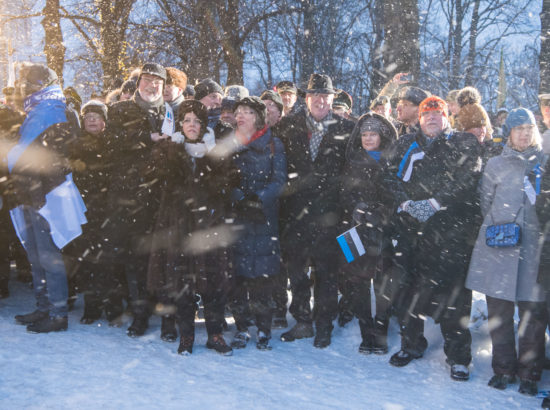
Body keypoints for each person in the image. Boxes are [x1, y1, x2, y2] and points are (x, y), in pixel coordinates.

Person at [386, 96, 482, 381]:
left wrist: (436, 202)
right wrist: (404, 204)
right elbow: (389, 178)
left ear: (446, 118)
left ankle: (458, 357)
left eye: (437, 114)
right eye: (426, 115)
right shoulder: (406, 145)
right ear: (419, 119)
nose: (431, 119)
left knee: (453, 297)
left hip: (451, 232)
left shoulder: (462, 142)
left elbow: (467, 178)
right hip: (412, 231)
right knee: (408, 290)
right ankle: (411, 344)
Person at [466, 108, 547, 396]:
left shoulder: (546, 162)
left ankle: (529, 374)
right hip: (500, 247)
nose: (524, 133)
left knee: (532, 317)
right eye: (518, 129)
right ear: (509, 133)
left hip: (534, 251)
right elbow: (485, 202)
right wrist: (502, 227)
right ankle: (503, 369)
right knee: (499, 313)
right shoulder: (496, 165)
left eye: (528, 128)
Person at [146, 100, 236, 355]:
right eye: (187, 120)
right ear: (180, 124)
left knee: (213, 282)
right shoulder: (169, 149)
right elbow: (153, 180)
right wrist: (170, 154)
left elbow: (228, 183)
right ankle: (186, 335)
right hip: (178, 226)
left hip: (209, 225)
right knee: (182, 282)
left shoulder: (215, 150)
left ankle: (215, 334)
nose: (192, 125)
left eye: (197, 120)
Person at [276, 73, 354, 348]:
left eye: (326, 96)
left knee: (327, 273)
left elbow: (352, 173)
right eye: (315, 95)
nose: (320, 100)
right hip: (294, 212)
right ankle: (302, 321)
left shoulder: (347, 128)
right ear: (305, 99)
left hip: (330, 214)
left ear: (333, 100)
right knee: (296, 271)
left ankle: (324, 325)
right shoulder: (288, 126)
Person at [6, 63, 82, 333]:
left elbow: (52, 162)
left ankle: (58, 314)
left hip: (46, 197)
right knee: (36, 255)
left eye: (28, 85)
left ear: (41, 87)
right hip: (31, 193)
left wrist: (37, 191)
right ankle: (43, 307)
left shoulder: (55, 113)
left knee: (49, 256)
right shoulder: (39, 111)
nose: (24, 90)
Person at [215, 96, 287, 350]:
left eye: (247, 111)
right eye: (239, 112)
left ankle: (264, 329)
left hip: (263, 219)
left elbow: (279, 180)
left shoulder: (273, 144)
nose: (241, 116)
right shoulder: (226, 144)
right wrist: (239, 198)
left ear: (257, 116)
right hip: (235, 218)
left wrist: (258, 200)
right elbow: (220, 179)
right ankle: (242, 327)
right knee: (236, 278)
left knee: (262, 278)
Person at [107, 62, 172, 337]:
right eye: (147, 79)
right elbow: (111, 145)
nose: (152, 85)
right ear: (138, 81)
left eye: (157, 81)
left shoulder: (170, 111)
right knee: (134, 259)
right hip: (130, 196)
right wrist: (146, 139)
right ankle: (140, 314)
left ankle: (160, 309)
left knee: (160, 257)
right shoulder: (120, 110)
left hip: (163, 196)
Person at [338, 112, 397, 354]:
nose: (368, 138)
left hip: (384, 230)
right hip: (352, 229)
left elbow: (396, 193)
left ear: (381, 136)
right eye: (364, 134)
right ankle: (366, 332)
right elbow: (343, 191)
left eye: (373, 134)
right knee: (357, 282)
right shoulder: (351, 160)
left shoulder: (392, 160)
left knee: (383, 284)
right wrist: (356, 208)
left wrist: (383, 212)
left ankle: (380, 333)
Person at [64, 100, 125, 326]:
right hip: (84, 211)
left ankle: (113, 308)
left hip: (110, 210)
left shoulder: (114, 145)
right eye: (87, 116)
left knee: (111, 261)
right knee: (88, 261)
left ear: (104, 122)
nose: (91, 120)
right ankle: (91, 307)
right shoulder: (74, 146)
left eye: (96, 116)